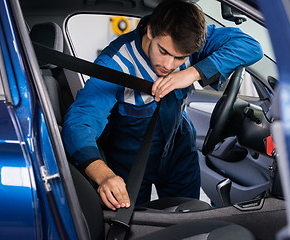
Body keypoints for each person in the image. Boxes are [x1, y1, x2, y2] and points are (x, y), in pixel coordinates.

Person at [62, 0, 263, 211]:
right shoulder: (116, 64)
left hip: (178, 148)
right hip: (130, 162)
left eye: (180, 58)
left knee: (188, 215)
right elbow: (79, 123)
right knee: (132, 223)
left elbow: (251, 47)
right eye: (164, 51)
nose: (168, 65)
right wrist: (105, 176)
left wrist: (190, 73)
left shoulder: (191, 43)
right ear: (150, 30)